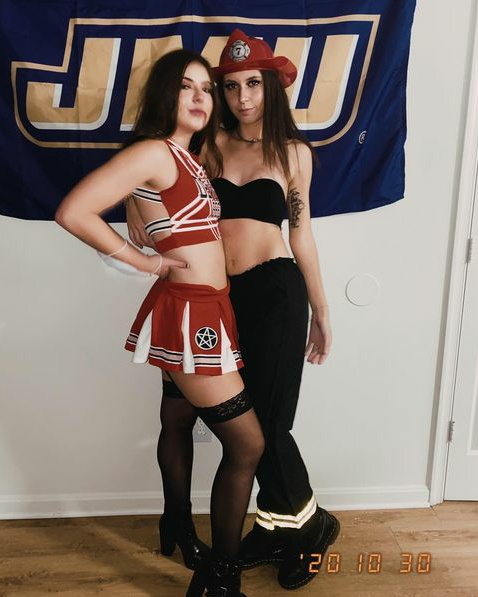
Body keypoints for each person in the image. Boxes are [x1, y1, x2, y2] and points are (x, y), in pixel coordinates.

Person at [127, 30, 340, 591]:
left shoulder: (293, 153)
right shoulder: (209, 146)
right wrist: (133, 209)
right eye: (230, 86)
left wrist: (321, 310)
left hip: (276, 294)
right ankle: (278, 523)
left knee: (267, 424)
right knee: (236, 425)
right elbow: (151, 167)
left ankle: (306, 529)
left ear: (271, 88)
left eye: (253, 84)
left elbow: (302, 235)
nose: (242, 97)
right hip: (217, 298)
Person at [56, 48, 264, 597]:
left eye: (206, 89)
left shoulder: (184, 156)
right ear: (165, 95)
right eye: (186, 87)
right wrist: (145, 261)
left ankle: (176, 524)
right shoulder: (154, 151)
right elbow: (74, 212)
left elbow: (151, 215)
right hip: (191, 310)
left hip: (202, 305)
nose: (200, 97)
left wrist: (144, 228)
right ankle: (220, 578)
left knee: (176, 421)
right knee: (247, 445)